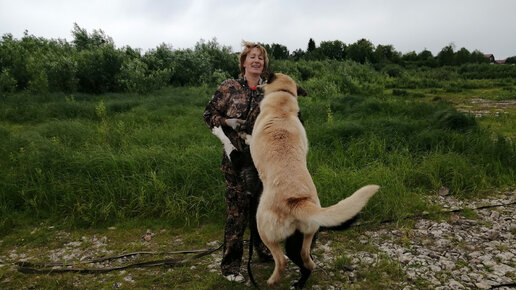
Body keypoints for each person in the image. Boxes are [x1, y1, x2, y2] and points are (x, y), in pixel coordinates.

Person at [203, 41, 272, 282]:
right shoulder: (229, 87)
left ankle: (264, 250)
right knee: (237, 212)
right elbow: (208, 115)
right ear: (243, 62)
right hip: (236, 160)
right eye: (252, 57)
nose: (256, 61)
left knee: (262, 208)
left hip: (263, 160)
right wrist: (226, 122)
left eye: (260, 58)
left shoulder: (268, 91)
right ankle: (231, 266)